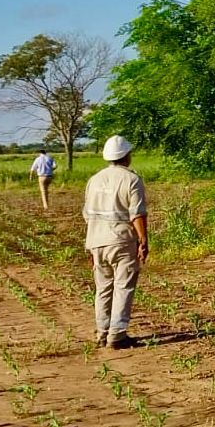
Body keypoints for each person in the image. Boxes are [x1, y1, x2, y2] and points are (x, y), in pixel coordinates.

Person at [83, 135, 148, 349]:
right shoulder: (131, 180)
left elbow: (88, 214)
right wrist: (143, 240)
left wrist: (90, 248)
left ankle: (102, 332)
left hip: (95, 241)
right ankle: (117, 334)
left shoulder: (94, 180)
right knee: (123, 287)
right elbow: (137, 214)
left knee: (103, 288)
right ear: (126, 156)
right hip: (121, 241)